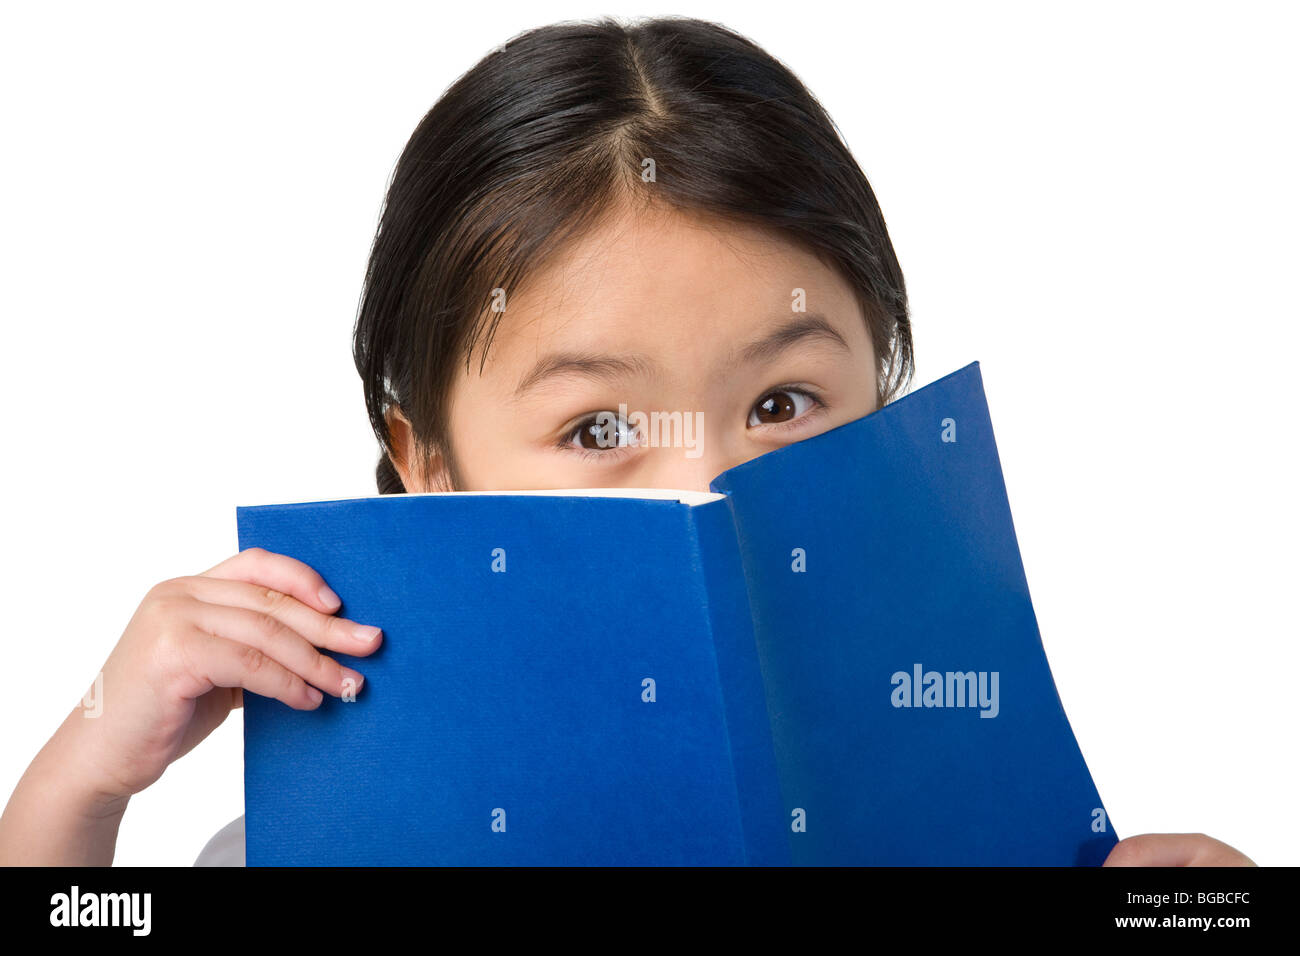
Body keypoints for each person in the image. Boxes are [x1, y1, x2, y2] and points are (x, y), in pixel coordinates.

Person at [0, 15, 1255, 868]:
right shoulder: (332, 841)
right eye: (599, 424)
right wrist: (83, 779)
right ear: (426, 460)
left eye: (782, 403)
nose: (708, 485)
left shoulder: (988, 819)